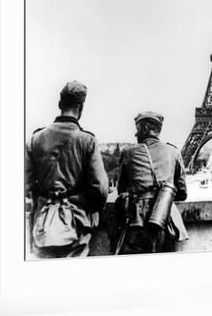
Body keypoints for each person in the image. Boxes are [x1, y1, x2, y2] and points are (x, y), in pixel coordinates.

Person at [25, 80, 108, 258]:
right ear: (81, 107)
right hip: (75, 225)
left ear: (60, 104)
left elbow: (25, 185)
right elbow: (100, 189)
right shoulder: (87, 140)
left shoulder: (35, 139)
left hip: (42, 225)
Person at [115, 111, 188, 254]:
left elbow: (121, 189)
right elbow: (182, 193)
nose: (136, 135)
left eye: (137, 130)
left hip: (137, 222)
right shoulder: (173, 152)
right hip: (165, 222)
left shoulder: (128, 153)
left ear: (145, 129)